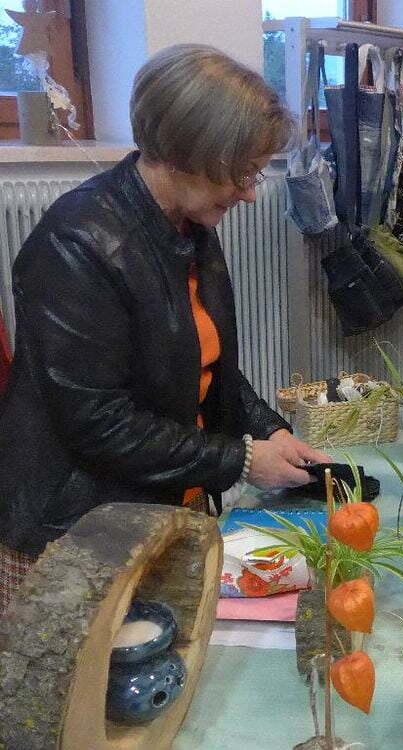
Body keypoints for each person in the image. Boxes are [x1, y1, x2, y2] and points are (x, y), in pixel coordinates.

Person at [0, 44, 329, 615]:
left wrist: (268, 431)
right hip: (75, 529)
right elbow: (98, 423)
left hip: (159, 500)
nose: (251, 192)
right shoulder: (76, 243)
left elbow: (206, 367)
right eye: (243, 172)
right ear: (189, 153)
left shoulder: (189, 227)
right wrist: (239, 460)